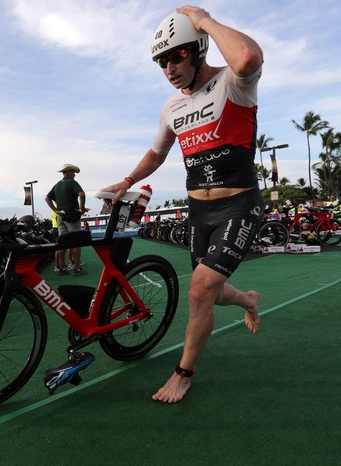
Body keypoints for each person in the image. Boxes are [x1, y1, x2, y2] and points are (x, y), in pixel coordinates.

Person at [102, 6, 264, 403]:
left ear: (198, 49)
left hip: (239, 205)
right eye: (162, 60)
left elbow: (247, 57)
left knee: (199, 291)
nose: (169, 68)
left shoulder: (233, 84)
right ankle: (247, 299)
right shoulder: (171, 107)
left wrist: (205, 19)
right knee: (210, 289)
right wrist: (127, 181)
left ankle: (183, 373)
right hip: (199, 212)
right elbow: (157, 154)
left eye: (177, 55)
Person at [45, 163, 90, 276]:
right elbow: (82, 194)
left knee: (62, 242)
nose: (74, 175)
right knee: (76, 242)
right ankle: (77, 268)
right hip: (72, 216)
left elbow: (47, 198)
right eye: (73, 172)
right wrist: (82, 208)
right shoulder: (72, 183)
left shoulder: (57, 185)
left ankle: (62, 269)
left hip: (61, 216)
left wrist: (56, 210)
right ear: (69, 172)